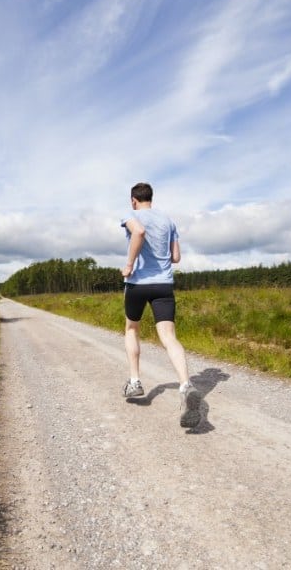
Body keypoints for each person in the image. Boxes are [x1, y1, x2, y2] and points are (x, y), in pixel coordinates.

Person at [120, 182, 202, 428]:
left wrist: (128, 265)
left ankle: (135, 382)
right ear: (151, 199)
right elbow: (176, 257)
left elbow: (139, 232)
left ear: (134, 200)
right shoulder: (168, 221)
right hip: (164, 285)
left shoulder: (131, 215)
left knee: (132, 329)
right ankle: (186, 385)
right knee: (168, 336)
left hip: (137, 284)